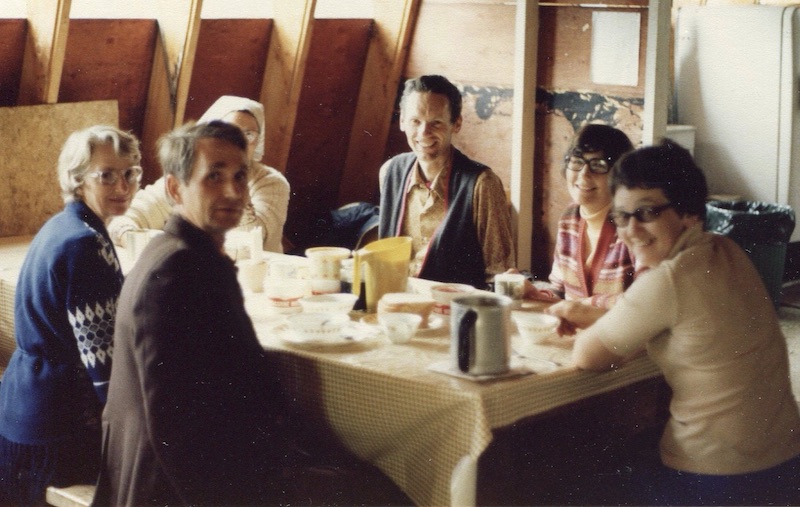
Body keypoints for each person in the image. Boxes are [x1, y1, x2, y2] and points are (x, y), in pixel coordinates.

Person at [94, 121, 410, 505]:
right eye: (213, 177)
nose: (232, 191)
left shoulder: (189, 253)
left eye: (240, 176)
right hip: (168, 487)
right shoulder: (176, 272)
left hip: (213, 463)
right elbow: (173, 428)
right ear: (176, 189)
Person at [549, 139, 800, 505]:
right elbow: (682, 326)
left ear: (689, 213)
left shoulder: (669, 279)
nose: (631, 229)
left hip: (718, 479)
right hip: (785, 463)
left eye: (647, 213)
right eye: (621, 216)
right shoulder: (726, 250)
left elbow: (588, 357)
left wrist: (594, 324)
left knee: (572, 473)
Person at [0, 125, 141, 504]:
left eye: (130, 174)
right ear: (77, 180)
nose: (122, 186)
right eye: (106, 176)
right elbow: (104, 364)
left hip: (25, 408)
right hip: (54, 429)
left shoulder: (65, 225)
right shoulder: (83, 244)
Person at [379, 74, 515, 289]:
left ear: (457, 123)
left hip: (454, 309)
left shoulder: (481, 184)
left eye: (436, 123)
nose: (424, 133)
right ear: (402, 121)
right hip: (398, 302)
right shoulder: (390, 172)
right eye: (416, 121)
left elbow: (498, 275)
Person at [108, 95, 290, 253]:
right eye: (229, 132)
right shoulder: (187, 175)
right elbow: (129, 214)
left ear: (257, 142)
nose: (239, 141)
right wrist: (130, 236)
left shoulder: (271, 183)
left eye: (249, 134)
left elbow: (250, 240)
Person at [526, 124, 635, 313]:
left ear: (619, 175)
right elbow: (559, 293)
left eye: (599, 165)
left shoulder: (634, 226)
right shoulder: (570, 219)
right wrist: (531, 291)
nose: (584, 174)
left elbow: (644, 302)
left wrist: (584, 306)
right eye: (577, 162)